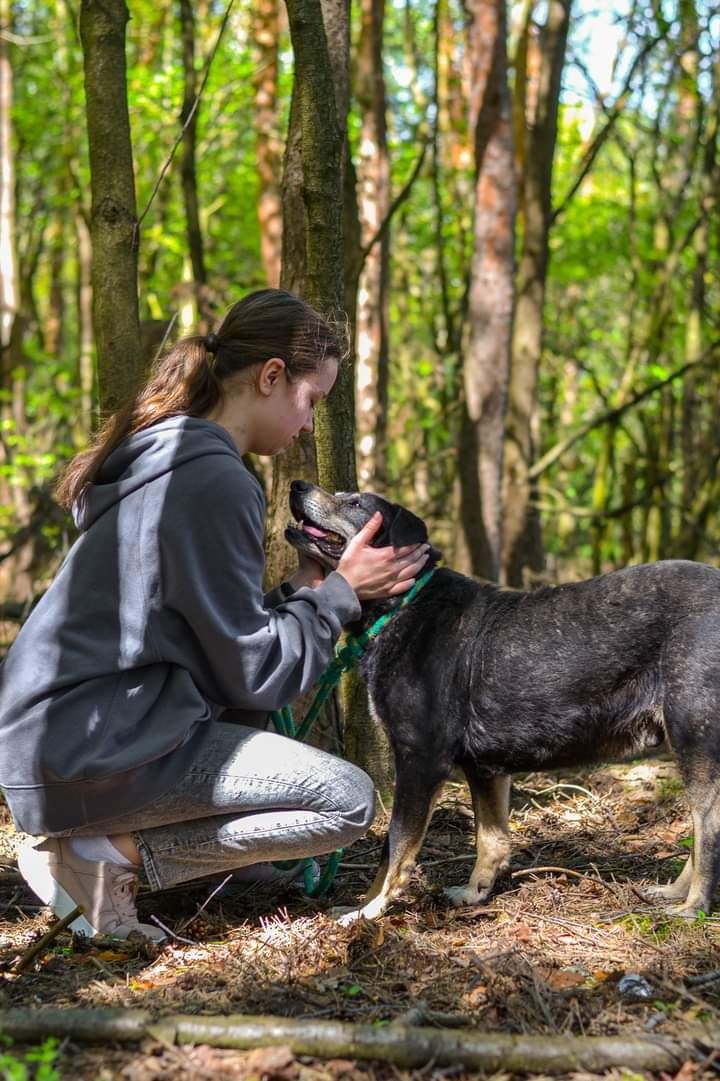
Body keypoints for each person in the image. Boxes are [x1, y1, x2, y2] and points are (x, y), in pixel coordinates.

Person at [0, 288, 429, 942]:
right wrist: (340, 594)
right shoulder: (217, 479)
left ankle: (98, 846)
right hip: (91, 745)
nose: (311, 424)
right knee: (348, 801)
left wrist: (311, 592)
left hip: (55, 739)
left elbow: (222, 644)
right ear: (271, 377)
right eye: (312, 400)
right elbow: (255, 673)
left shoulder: (162, 455)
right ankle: (94, 855)